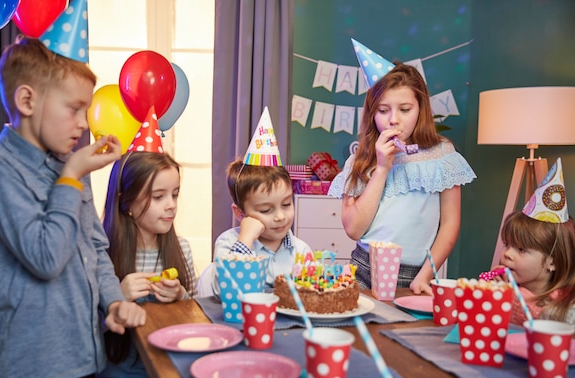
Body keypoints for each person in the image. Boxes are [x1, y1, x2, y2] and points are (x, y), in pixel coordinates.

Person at [0, 37, 146, 378]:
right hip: (28, 364)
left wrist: (113, 300)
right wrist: (73, 174)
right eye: (75, 109)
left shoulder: (67, 167)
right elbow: (45, 256)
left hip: (80, 353)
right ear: (28, 102)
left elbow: (95, 249)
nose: (84, 123)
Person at [328, 63, 476, 295]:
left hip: (416, 274)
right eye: (383, 110)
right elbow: (354, 229)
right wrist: (382, 169)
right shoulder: (360, 160)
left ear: (421, 108)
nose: (393, 120)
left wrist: (425, 275)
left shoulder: (442, 155)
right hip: (364, 270)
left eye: (405, 109)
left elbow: (450, 223)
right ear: (371, 112)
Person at [92, 151, 197, 378]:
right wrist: (117, 299)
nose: (171, 205)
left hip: (175, 376)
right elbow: (80, 334)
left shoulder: (181, 249)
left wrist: (182, 297)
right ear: (126, 202)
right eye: (158, 196)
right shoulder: (101, 257)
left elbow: (198, 324)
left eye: (175, 194)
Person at [213, 108, 312, 290]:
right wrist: (245, 241)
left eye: (286, 204)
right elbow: (224, 290)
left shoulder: (302, 251)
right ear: (240, 213)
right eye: (266, 210)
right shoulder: (228, 244)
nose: (280, 216)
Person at [488, 158, 575, 325]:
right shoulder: (507, 289)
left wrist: (512, 299)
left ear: (553, 262)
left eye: (521, 250)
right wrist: (491, 295)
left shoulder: (564, 309)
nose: (507, 254)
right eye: (507, 244)